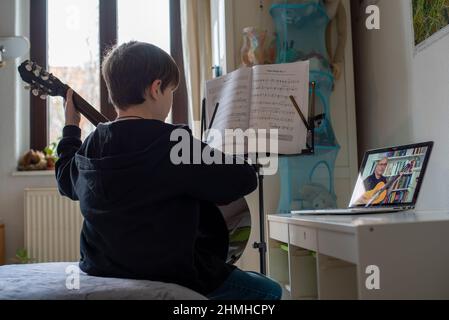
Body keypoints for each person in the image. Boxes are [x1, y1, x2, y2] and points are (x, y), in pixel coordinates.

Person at [56, 41, 282, 300]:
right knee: (269, 292)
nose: (171, 99)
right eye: (171, 90)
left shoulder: (91, 145)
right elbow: (244, 179)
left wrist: (71, 127)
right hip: (171, 275)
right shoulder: (173, 144)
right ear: (156, 88)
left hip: (101, 268)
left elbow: (65, 181)